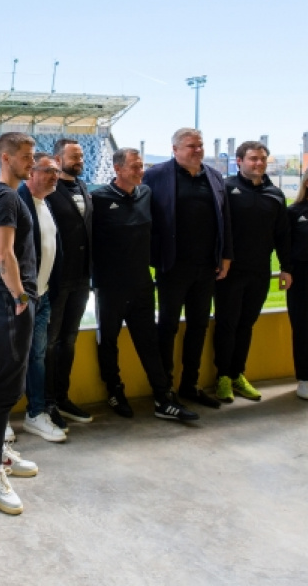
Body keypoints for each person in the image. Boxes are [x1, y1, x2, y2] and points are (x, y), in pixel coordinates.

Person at [0, 151, 66, 444]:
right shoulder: (12, 197)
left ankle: (36, 414)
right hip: (17, 297)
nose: (54, 177)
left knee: (35, 356)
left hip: (42, 295)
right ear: (31, 173)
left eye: (57, 172)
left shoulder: (49, 202)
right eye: (48, 170)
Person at [92, 148, 199, 421]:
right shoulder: (99, 199)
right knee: (109, 341)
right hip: (110, 286)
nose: (141, 171)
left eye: (141, 166)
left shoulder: (146, 194)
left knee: (149, 342)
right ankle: (115, 392)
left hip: (141, 284)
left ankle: (163, 399)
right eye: (134, 167)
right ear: (117, 169)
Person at [143, 128, 233, 409]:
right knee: (167, 326)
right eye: (191, 146)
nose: (197, 150)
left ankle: (190, 384)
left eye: (200, 145)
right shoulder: (156, 176)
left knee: (198, 325)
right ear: (175, 150)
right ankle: (165, 387)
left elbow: (225, 218)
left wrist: (225, 255)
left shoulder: (214, 176)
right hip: (172, 266)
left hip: (206, 266)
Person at [0, 132, 39, 515]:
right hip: (9, 300)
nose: (31, 161)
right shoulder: (4, 196)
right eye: (26, 156)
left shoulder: (10, 195)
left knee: (10, 381)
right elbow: (4, 255)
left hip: (14, 298)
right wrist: (19, 296)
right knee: (6, 385)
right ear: (6, 157)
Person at [213, 142, 292, 402]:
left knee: (246, 324)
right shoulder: (225, 189)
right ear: (239, 161)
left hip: (259, 272)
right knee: (227, 323)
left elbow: (282, 235)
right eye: (253, 159)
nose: (258, 163)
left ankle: (237, 374)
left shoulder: (275, 194)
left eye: (262, 159)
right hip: (230, 272)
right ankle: (222, 376)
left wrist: (286, 268)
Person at [44, 137, 93, 425]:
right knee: (49, 343)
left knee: (69, 340)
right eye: (74, 157)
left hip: (81, 279)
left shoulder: (83, 187)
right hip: (57, 281)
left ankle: (62, 397)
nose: (80, 162)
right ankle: (46, 401)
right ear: (58, 159)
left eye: (82, 157)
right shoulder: (49, 190)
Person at [287, 172, 308, 400]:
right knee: (303, 327)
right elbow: (286, 246)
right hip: (302, 276)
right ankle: (305, 377)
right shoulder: (294, 212)